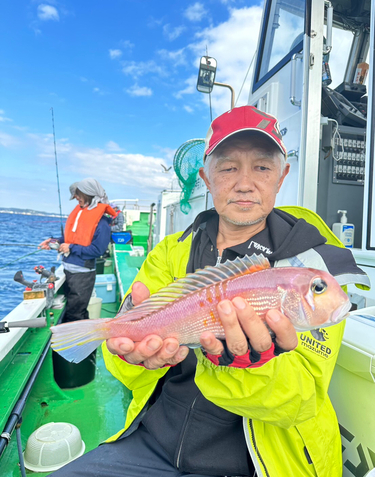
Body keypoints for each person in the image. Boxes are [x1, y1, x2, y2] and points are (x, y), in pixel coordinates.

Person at [51, 107, 370, 477]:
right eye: (228, 167)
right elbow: (131, 357)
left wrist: (248, 367)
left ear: (282, 177)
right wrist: (131, 355)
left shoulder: (315, 262)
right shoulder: (171, 250)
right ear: (206, 176)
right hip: (153, 438)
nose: (245, 183)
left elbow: (301, 401)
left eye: (263, 167)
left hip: (256, 462)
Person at [40, 178, 115, 323]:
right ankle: (86, 345)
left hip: (82, 276)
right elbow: (71, 237)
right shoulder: (82, 213)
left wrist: (71, 247)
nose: (75, 197)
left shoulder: (103, 222)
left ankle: (78, 345)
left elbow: (97, 250)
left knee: (75, 314)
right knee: (75, 312)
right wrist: (54, 242)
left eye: (78, 194)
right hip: (69, 270)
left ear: (89, 194)